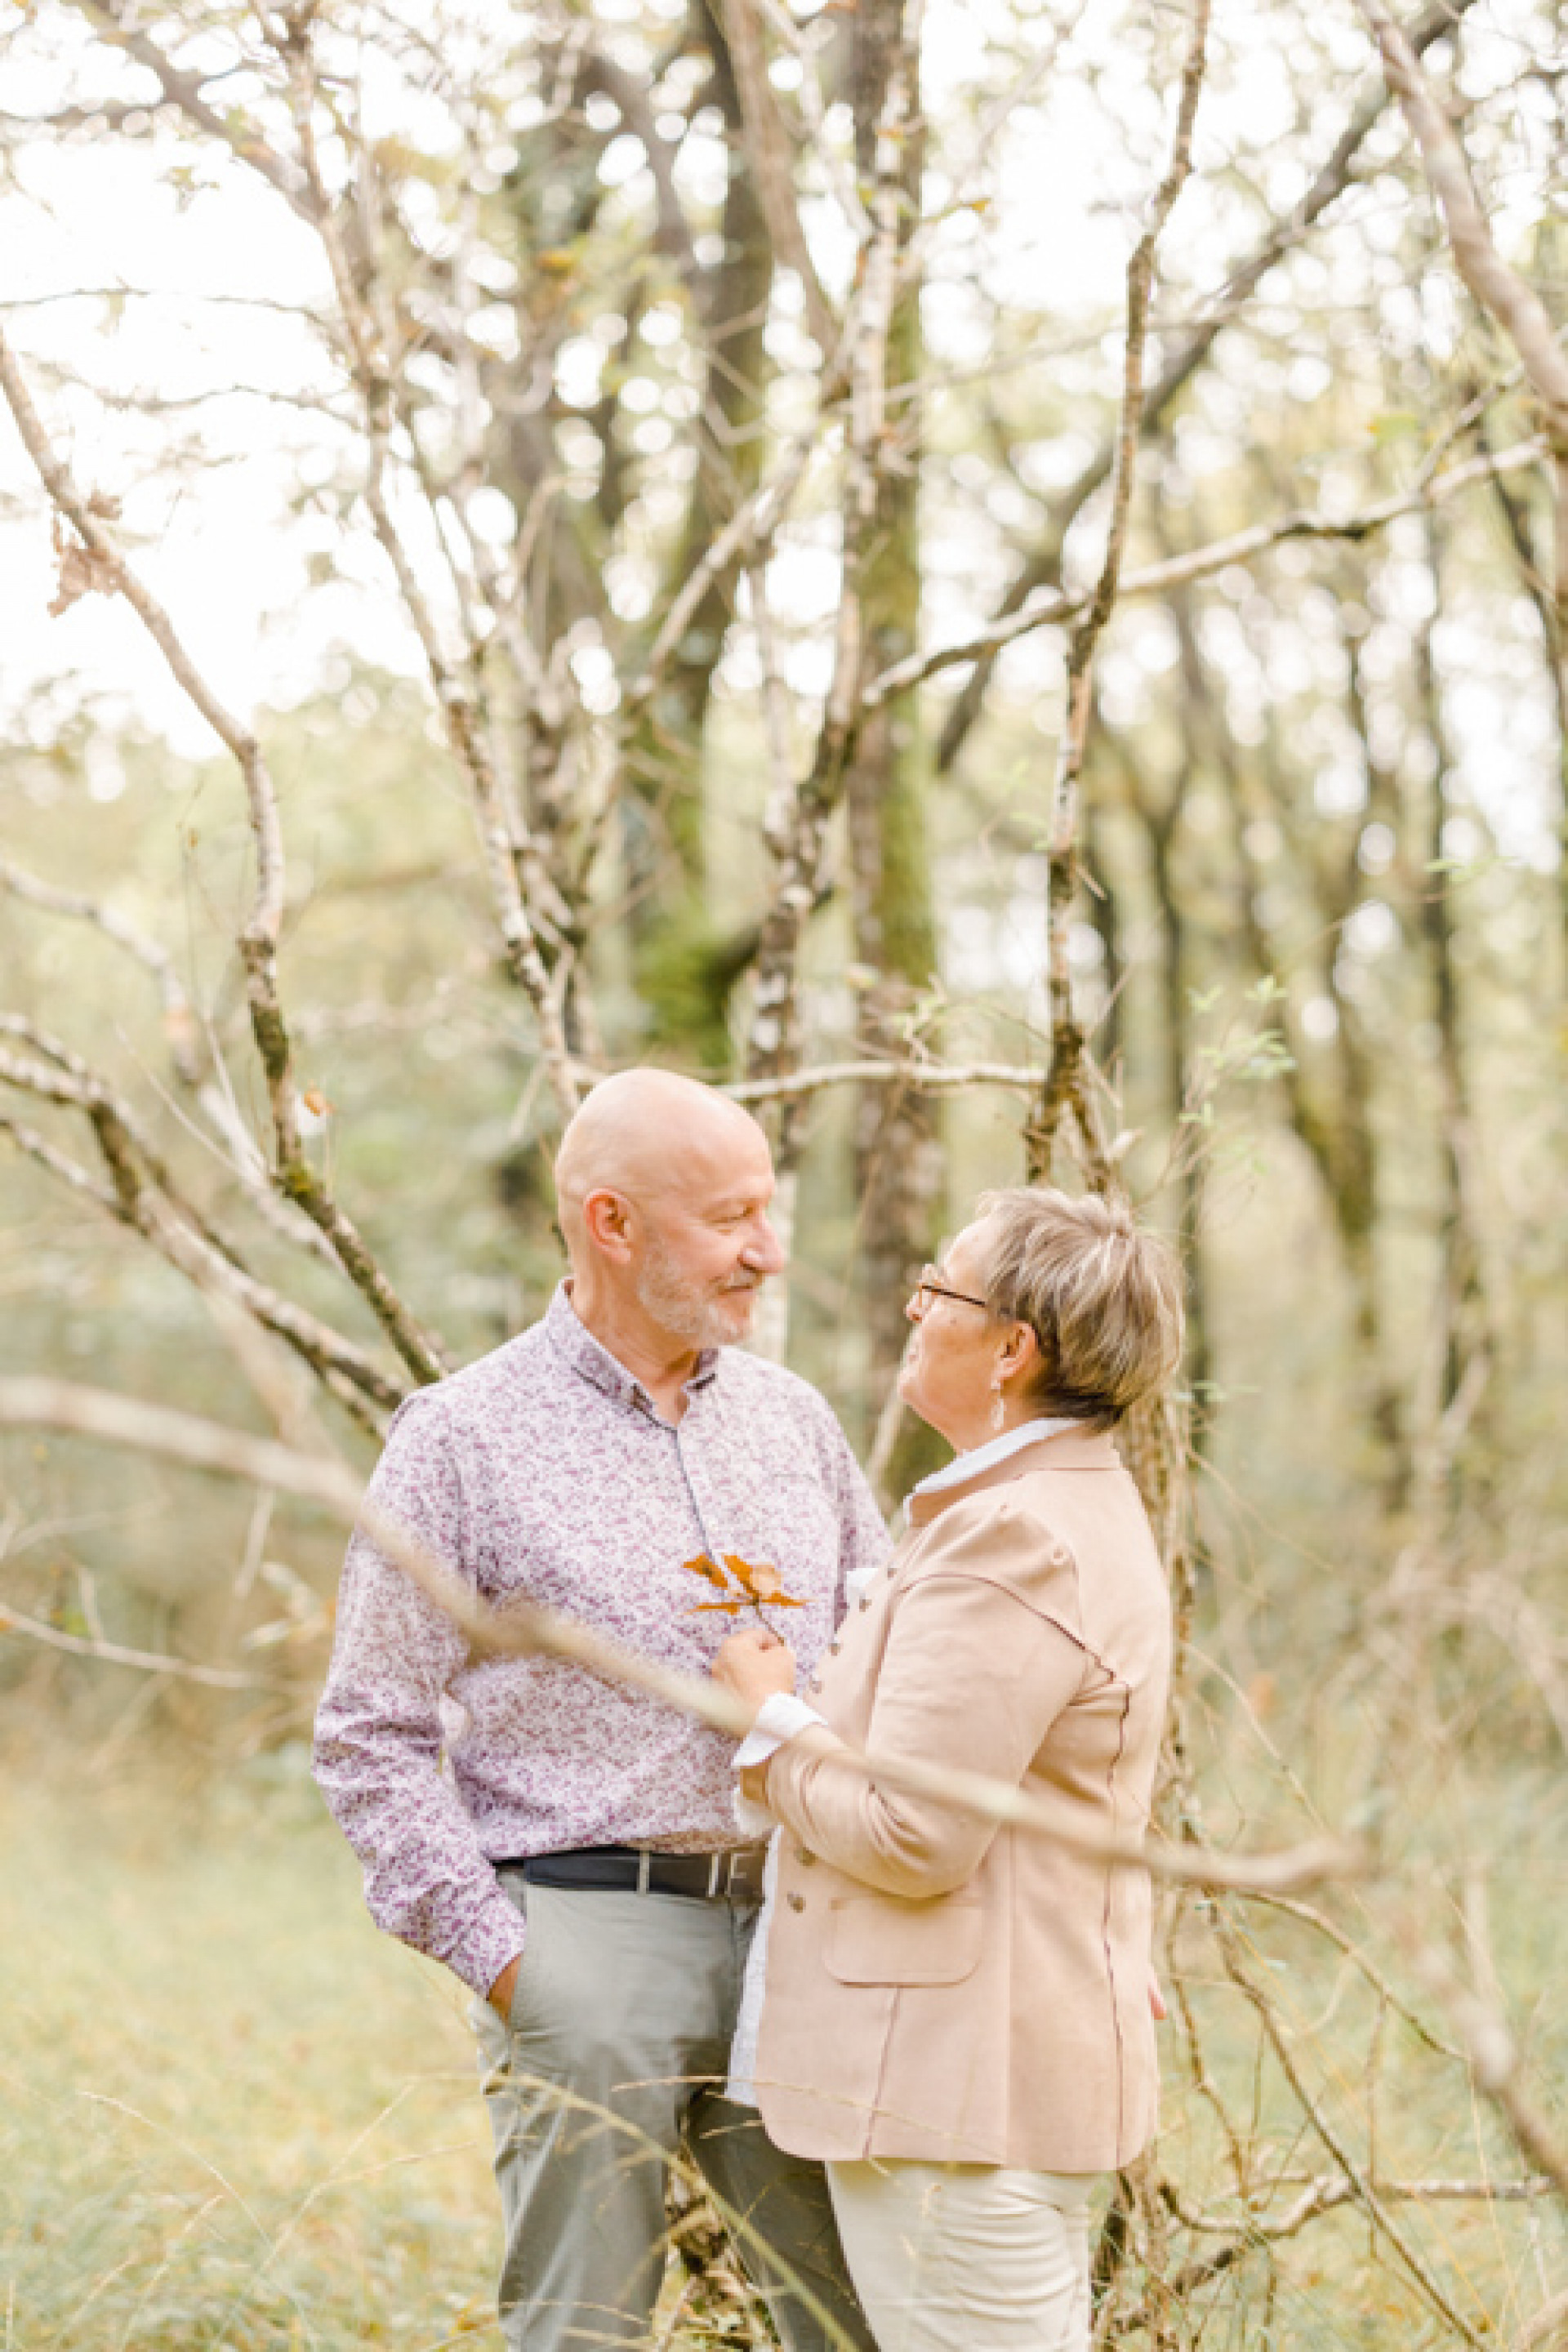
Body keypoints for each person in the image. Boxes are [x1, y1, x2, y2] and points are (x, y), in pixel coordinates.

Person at [314, 1068, 887, 2352]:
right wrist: (514, 1967)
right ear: (612, 1224)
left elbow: (887, 1657)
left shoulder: (795, 1423)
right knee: (582, 2333)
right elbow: (368, 1733)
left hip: (809, 1936)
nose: (767, 1249)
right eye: (731, 1218)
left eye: (768, 1211)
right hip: (585, 1936)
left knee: (854, 2323)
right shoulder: (462, 1438)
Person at [711, 1184, 1181, 2352]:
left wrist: (769, 1728)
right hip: (989, 2086)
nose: (916, 1310)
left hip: (955, 2102)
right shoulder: (1069, 1500)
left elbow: (915, 1834)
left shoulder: (1010, 1531)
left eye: (940, 1290)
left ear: (1013, 1350)